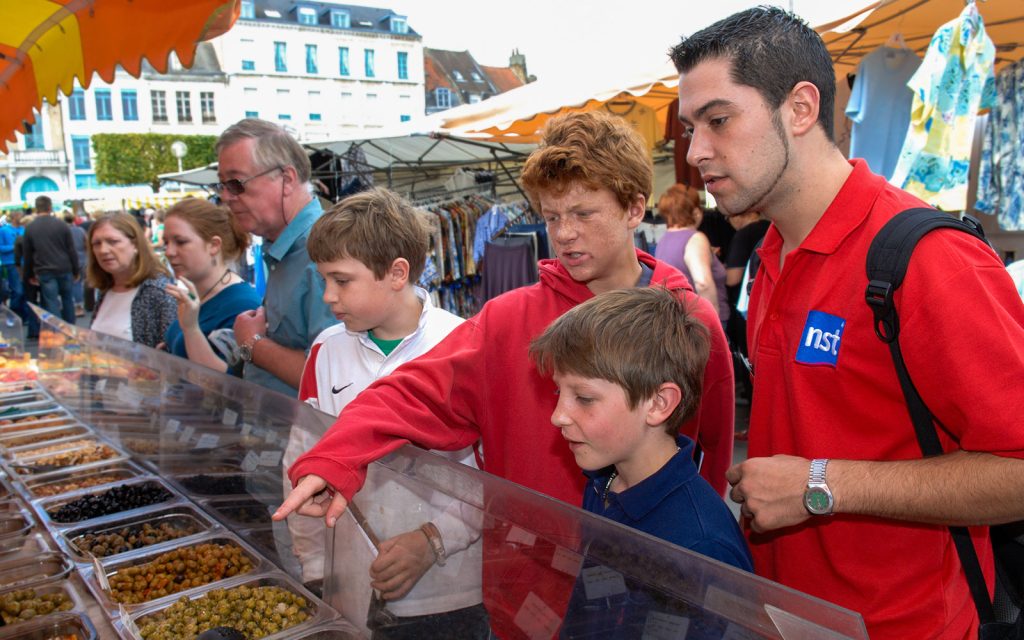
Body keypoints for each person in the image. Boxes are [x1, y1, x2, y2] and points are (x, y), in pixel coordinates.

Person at [276, 110, 735, 638]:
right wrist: (337, 457)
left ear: (635, 207)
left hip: (646, 595)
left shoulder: (690, 323)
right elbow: (414, 392)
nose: (564, 233)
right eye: (551, 215)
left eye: (583, 213)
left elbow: (710, 456)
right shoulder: (506, 319)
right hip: (529, 591)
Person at [672, 7, 1024, 638]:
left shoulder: (929, 259)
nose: (697, 151)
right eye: (691, 128)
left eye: (718, 120)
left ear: (801, 109)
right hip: (782, 617)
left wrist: (820, 484)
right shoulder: (769, 253)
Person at [285, 187, 487, 639]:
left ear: (397, 273)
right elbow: (302, 455)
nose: (327, 296)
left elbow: (492, 472)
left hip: (448, 590)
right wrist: (317, 567)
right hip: (352, 585)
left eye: (341, 280)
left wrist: (433, 539)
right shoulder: (325, 350)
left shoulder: (464, 347)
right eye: (324, 280)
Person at [529, 287, 752, 637]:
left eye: (584, 398)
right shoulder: (602, 482)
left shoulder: (702, 548)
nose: (558, 416)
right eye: (560, 392)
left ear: (659, 403)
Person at [213, 118, 335, 396]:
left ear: (287, 179)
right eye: (220, 185)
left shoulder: (327, 251)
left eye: (235, 183)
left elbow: (334, 380)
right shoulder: (284, 247)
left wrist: (253, 344)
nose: (226, 196)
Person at [160, 198, 261, 375]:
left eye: (181, 242)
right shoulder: (200, 294)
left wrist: (191, 330)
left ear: (214, 245)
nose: (169, 252)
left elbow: (225, 382)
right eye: (166, 243)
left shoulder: (242, 305)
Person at [87, 213, 177, 347]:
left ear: (135, 245)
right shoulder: (104, 290)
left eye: (113, 241)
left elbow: (171, 354)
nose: (103, 250)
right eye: (96, 243)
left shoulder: (159, 292)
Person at [654, 184, 729, 325]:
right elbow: (703, 283)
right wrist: (713, 323)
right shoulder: (696, 238)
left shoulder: (664, 240)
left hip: (678, 320)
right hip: (700, 323)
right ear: (696, 212)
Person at [23, 195, 78, 324]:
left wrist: (29, 274)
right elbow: (71, 249)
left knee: (51, 302)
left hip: (44, 269)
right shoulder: (62, 225)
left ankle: (58, 331)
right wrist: (76, 270)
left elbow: (28, 254)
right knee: (67, 299)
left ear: (36, 208)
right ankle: (71, 328)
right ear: (50, 207)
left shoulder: (30, 228)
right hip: (64, 267)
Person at [64, 212, 87, 317]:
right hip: (82, 259)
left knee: (73, 283)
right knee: (78, 282)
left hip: (68, 260)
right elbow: (86, 243)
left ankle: (75, 306)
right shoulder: (80, 230)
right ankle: (79, 306)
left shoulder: (63, 231)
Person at [0, 212, 24, 314]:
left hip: (25, 262)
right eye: (20, 216)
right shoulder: (4, 230)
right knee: (17, 290)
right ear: (14, 218)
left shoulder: (24, 229)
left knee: (25, 291)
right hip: (11, 263)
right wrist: (14, 247)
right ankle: (15, 313)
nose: (22, 218)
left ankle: (25, 314)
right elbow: (1, 247)